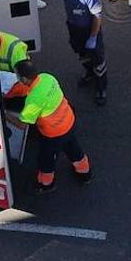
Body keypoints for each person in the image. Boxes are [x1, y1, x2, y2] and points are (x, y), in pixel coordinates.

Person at [6, 59, 91, 193]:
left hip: (53, 134)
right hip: (68, 120)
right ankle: (84, 173)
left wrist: (5, 115)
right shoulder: (47, 78)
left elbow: (22, 125)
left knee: (46, 159)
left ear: (23, 78)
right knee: (73, 148)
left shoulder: (33, 100)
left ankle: (46, 184)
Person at [50, 0, 107, 106]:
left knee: (98, 61)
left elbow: (97, 16)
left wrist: (93, 37)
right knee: (82, 55)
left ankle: (101, 88)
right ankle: (89, 73)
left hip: (89, 31)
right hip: (74, 29)